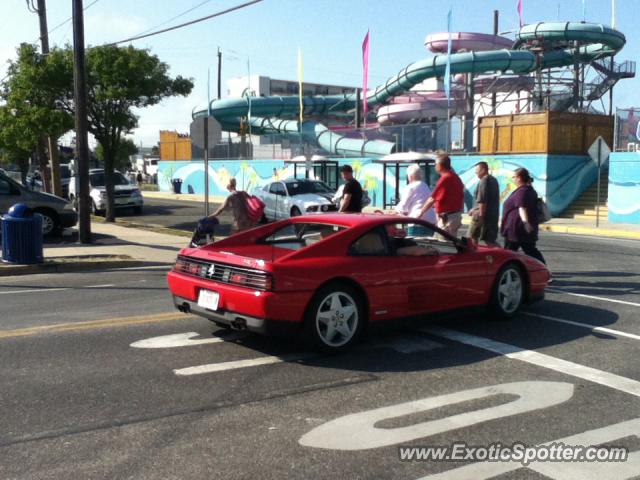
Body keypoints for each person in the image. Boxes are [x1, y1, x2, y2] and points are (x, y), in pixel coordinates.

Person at [501, 167, 546, 264]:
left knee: (509, 253)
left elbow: (522, 208)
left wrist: (525, 223)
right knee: (530, 250)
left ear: (519, 178)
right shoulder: (528, 190)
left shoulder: (522, 191)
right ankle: (542, 268)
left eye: (513, 177)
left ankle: (509, 270)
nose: (512, 179)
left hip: (517, 228)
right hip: (520, 228)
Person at [418, 153, 464, 237]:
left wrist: (420, 212)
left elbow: (432, 198)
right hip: (454, 216)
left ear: (440, 166)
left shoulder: (445, 178)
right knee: (448, 243)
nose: (435, 166)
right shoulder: (455, 177)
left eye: (435, 164)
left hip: (447, 219)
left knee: (441, 244)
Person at [468, 161, 500, 246]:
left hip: (480, 216)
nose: (475, 172)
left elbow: (482, 200)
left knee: (472, 238)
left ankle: (474, 255)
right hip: (492, 216)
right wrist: (473, 209)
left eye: (477, 170)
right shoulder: (494, 180)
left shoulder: (484, 181)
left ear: (483, 170)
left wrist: (481, 217)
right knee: (489, 240)